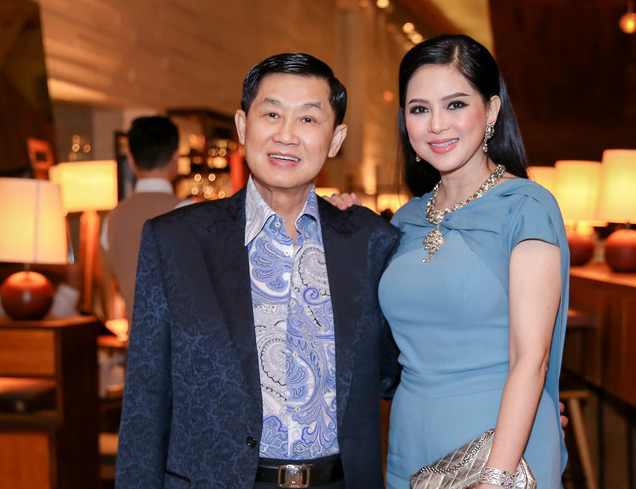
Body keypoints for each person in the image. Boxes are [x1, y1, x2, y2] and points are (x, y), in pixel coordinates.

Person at [115, 53, 401, 489]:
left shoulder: (370, 242)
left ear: (336, 139)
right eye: (271, 114)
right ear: (243, 126)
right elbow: (145, 399)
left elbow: (397, 373)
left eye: (308, 119)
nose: (286, 135)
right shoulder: (176, 242)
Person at [329, 34, 569, 488]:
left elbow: (531, 359)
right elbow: (370, 340)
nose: (437, 124)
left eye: (455, 104)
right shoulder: (405, 219)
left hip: (501, 451)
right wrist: (343, 230)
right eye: (420, 109)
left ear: (491, 111)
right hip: (407, 446)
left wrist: (496, 476)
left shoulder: (526, 208)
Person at [104, 116, 190, 323]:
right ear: (176, 157)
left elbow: (109, 286)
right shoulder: (188, 213)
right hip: (182, 340)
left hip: (134, 340)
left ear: (131, 159)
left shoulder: (111, 219)